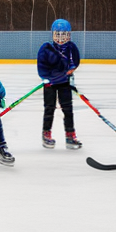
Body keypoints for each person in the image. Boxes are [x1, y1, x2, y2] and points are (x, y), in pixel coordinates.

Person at [37, 18, 81, 149]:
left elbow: (75, 62)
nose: (60, 38)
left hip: (64, 83)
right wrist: (47, 78)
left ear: (69, 35)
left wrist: (69, 73)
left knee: (68, 110)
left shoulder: (71, 47)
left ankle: (70, 135)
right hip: (50, 84)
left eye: (64, 34)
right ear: (53, 34)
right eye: (58, 34)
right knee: (49, 109)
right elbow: (41, 66)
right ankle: (46, 134)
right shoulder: (46, 48)